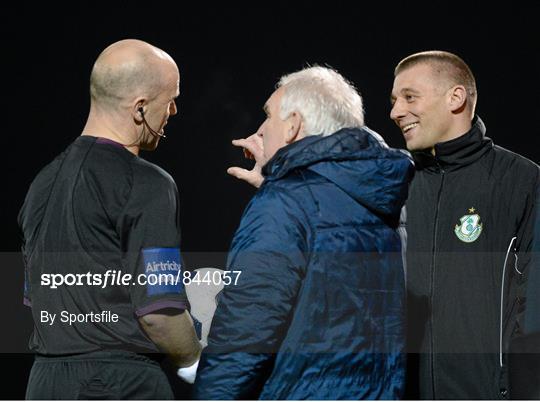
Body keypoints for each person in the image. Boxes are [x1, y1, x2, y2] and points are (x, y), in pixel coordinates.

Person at [193, 66, 414, 399]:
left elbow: (247, 328)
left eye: (268, 116)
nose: (261, 129)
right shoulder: (381, 197)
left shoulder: (286, 203)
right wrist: (279, 180)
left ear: (293, 124)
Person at [18, 39, 201, 400]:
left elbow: (36, 301)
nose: (175, 111)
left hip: (43, 383)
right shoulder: (148, 184)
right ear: (140, 109)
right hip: (121, 383)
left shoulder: (39, 185)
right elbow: (159, 313)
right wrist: (197, 362)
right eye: (171, 99)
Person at [389, 50, 540, 399]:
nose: (395, 111)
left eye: (409, 97)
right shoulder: (393, 183)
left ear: (456, 97)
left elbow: (532, 308)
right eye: (395, 100)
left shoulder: (521, 181)